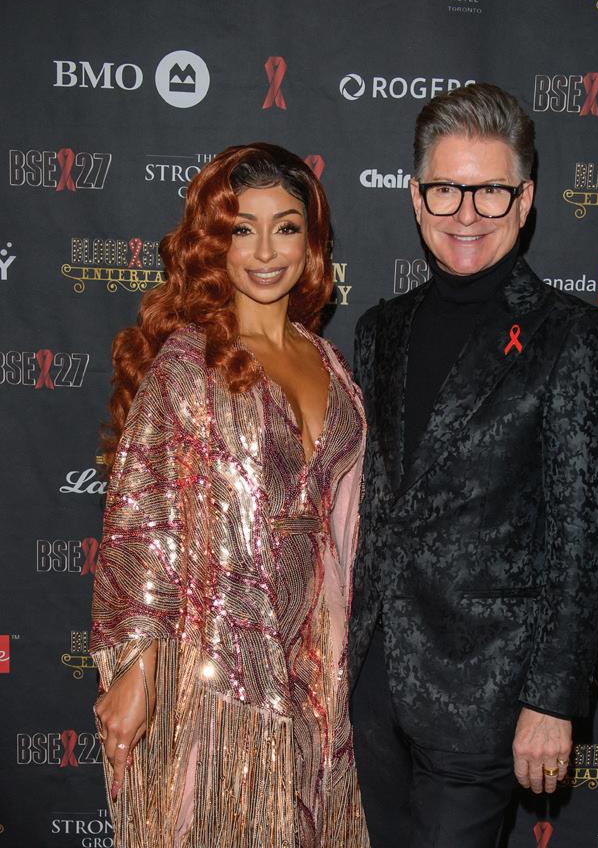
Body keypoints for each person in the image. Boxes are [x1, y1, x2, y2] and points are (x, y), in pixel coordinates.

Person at [349, 84, 598, 847]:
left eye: (491, 191)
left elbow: (587, 535)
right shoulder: (379, 330)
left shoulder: (572, 338)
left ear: (525, 199)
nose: (466, 213)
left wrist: (552, 701)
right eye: (446, 188)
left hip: (485, 695)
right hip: (369, 688)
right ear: (416, 198)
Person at [90, 143, 369, 848]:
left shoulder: (330, 362)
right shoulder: (190, 364)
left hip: (325, 662)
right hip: (221, 661)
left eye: (286, 227)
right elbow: (143, 524)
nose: (266, 251)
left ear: (311, 242)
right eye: (243, 229)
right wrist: (137, 668)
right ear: (215, 243)